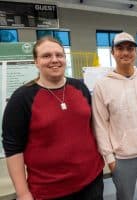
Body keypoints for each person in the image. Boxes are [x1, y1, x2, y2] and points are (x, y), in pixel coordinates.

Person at [2, 36, 105, 200]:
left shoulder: (79, 87)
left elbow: (91, 126)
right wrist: (22, 193)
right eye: (46, 56)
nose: (54, 60)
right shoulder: (22, 98)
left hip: (91, 182)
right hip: (49, 191)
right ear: (36, 62)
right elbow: (13, 148)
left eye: (59, 55)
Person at [92, 32, 137, 200]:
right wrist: (109, 157)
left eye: (130, 48)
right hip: (122, 159)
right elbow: (100, 124)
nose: (125, 52)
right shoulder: (102, 86)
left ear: (135, 52)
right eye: (120, 48)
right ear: (112, 52)